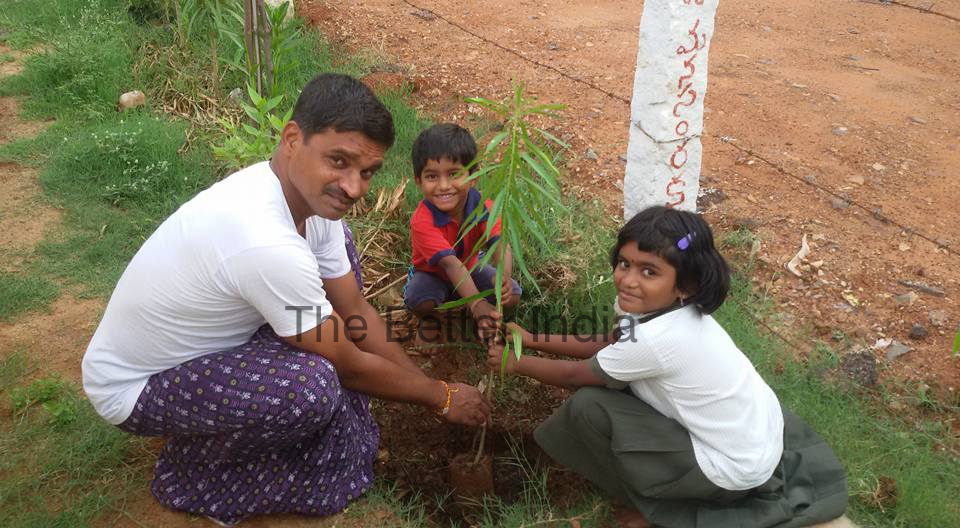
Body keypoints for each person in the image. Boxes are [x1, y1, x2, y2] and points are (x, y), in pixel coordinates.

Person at [81, 74, 490, 527]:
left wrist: (421, 383)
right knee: (312, 388)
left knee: (340, 265)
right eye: (339, 161)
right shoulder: (265, 241)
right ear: (293, 138)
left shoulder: (307, 202)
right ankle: (192, 474)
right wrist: (440, 395)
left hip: (212, 345)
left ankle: (227, 429)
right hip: (137, 386)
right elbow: (349, 363)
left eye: (367, 172)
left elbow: (354, 311)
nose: (354, 187)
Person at [487, 206, 847, 528]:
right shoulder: (659, 309)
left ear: (685, 286)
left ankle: (663, 512)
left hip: (729, 471)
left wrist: (516, 363)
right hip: (752, 438)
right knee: (616, 386)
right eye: (624, 264)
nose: (628, 279)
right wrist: (532, 338)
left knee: (589, 408)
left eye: (649, 272)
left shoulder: (660, 338)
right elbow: (610, 342)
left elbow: (573, 376)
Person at [403, 123, 521, 340]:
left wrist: (502, 279)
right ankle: (448, 311)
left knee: (512, 293)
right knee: (419, 300)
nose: (444, 185)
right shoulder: (422, 220)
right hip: (432, 274)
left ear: (473, 175)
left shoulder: (485, 208)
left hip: (471, 268)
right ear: (418, 181)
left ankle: (472, 305)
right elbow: (450, 264)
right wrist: (477, 304)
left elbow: (499, 244)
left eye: (454, 174)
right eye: (432, 177)